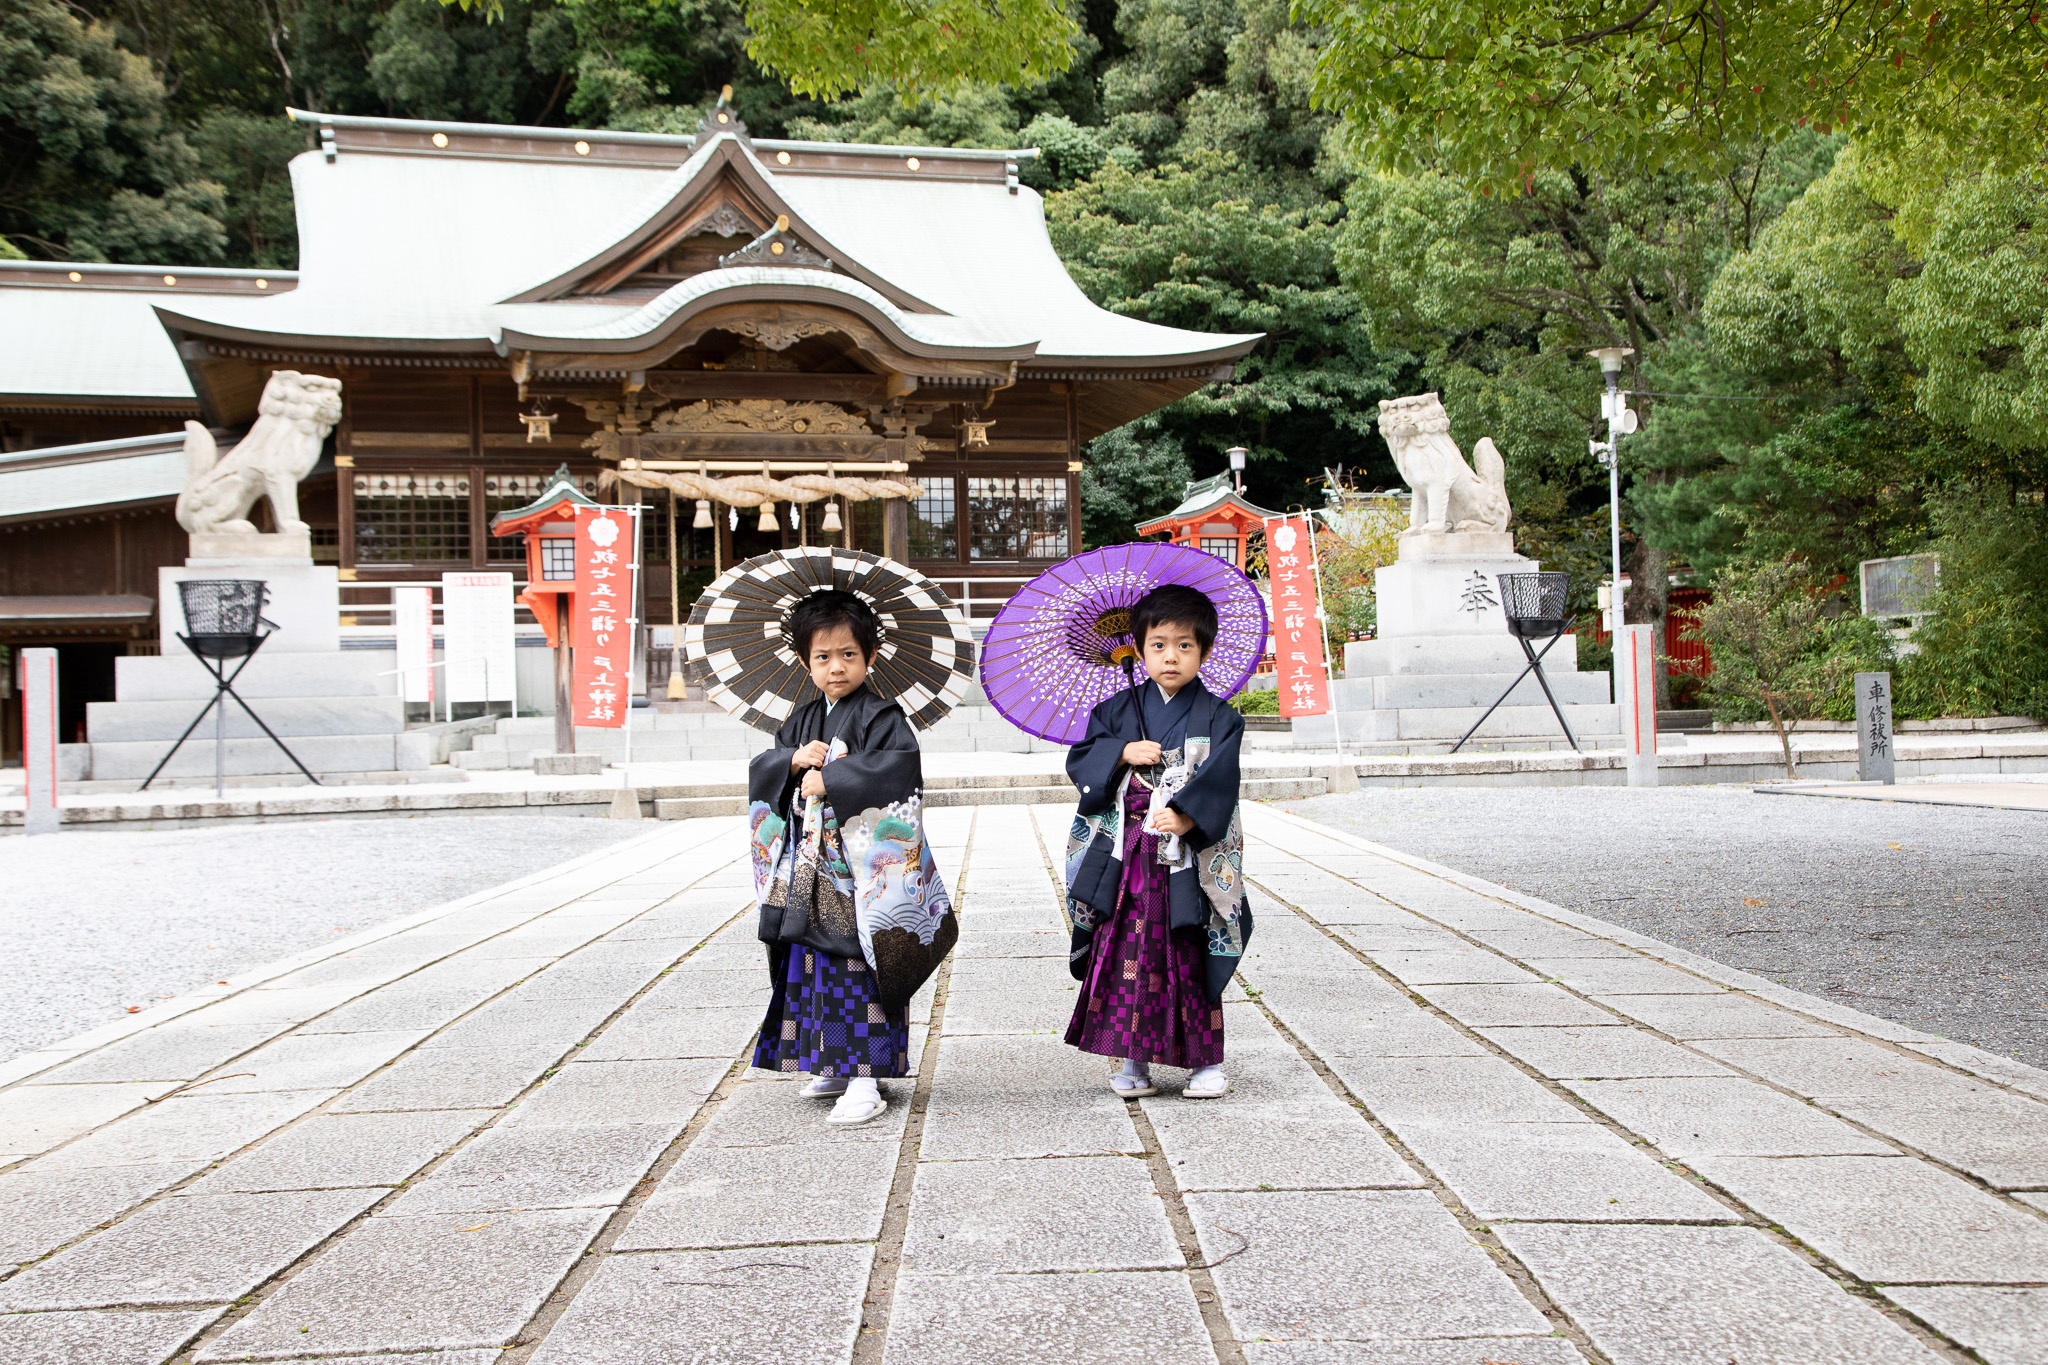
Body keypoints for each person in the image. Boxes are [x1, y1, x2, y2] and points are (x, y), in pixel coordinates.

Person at [745, 589, 956, 1126]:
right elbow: (767, 768)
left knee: (858, 964)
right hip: (809, 870)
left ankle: (865, 1078)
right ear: (804, 661)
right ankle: (832, 1065)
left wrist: (833, 778)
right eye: (822, 656)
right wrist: (792, 761)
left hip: (860, 874)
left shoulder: (883, 717)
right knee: (811, 965)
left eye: (848, 654)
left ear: (870, 656)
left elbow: (899, 773)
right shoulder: (800, 720)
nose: (836, 667)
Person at [1061, 583, 1252, 1100]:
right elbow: (1083, 760)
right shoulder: (1116, 711)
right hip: (1130, 857)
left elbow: (1223, 782)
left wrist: (1187, 818)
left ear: (1204, 651)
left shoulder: (1220, 717)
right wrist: (1121, 752)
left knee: (1190, 951)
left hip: (1187, 859)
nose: (1171, 657)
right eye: (1159, 645)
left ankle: (1205, 1063)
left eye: (1185, 645)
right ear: (1139, 650)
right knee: (1128, 953)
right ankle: (1133, 1059)